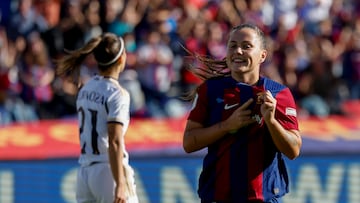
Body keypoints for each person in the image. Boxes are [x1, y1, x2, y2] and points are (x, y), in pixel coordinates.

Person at [182, 23, 302, 203]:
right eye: (232, 46)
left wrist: (270, 120)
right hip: (217, 197)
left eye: (246, 46)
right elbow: (189, 143)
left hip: (263, 199)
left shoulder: (279, 94)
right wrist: (227, 126)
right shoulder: (209, 90)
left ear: (262, 55)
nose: (238, 51)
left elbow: (293, 150)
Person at [56, 32, 138, 203]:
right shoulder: (118, 94)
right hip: (108, 171)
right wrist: (120, 184)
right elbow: (114, 141)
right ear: (122, 58)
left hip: (85, 171)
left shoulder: (86, 88)